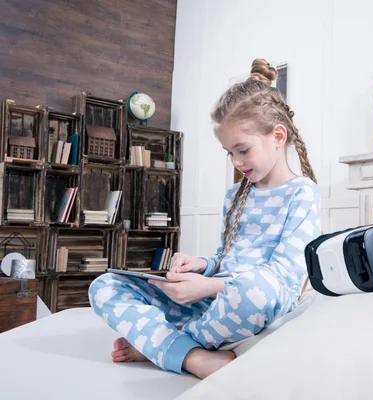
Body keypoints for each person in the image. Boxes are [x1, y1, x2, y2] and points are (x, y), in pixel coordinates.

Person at [87, 58, 321, 379]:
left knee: (256, 289)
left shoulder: (301, 193)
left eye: (243, 150)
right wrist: (202, 266)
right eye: (229, 153)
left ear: (278, 136)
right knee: (105, 285)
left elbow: (284, 277)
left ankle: (168, 346)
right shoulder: (234, 197)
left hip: (254, 302)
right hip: (213, 302)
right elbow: (229, 260)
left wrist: (209, 285)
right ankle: (191, 354)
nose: (237, 161)